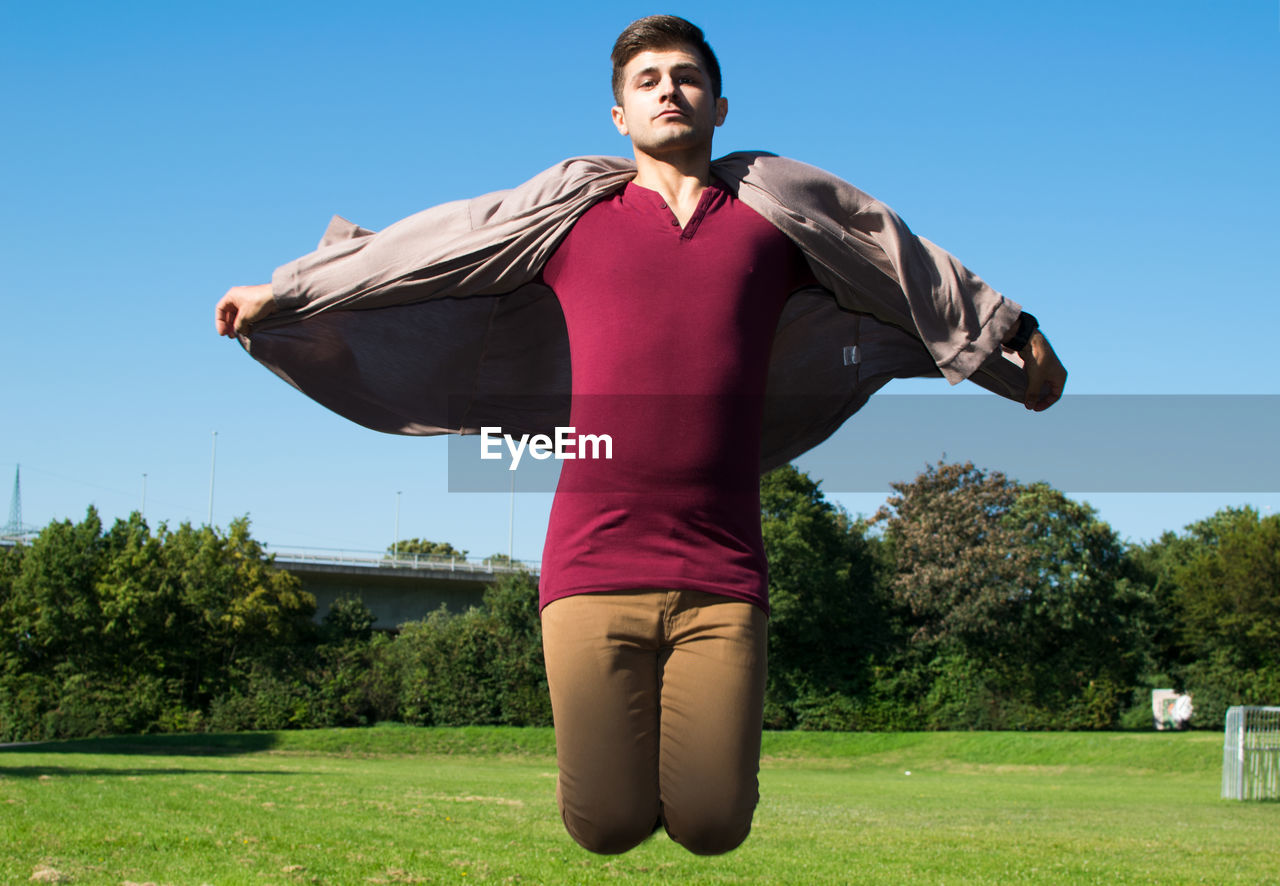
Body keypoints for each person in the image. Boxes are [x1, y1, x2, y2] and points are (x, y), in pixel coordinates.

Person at [215, 15, 1066, 856]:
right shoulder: (570, 215)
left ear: (720, 106)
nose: (670, 90)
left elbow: (898, 265)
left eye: (687, 77)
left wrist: (1010, 335)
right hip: (593, 566)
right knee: (609, 824)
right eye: (648, 80)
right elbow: (432, 247)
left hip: (723, 570)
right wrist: (289, 290)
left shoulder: (776, 216)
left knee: (712, 823)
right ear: (618, 115)